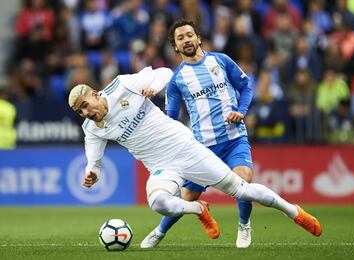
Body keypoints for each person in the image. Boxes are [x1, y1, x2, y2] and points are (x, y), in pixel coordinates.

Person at [68, 66, 322, 249]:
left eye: (85, 104)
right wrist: (93, 173)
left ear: (95, 93)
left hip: (186, 149)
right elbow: (95, 161)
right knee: (158, 203)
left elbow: (165, 72)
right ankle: (198, 208)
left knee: (241, 190)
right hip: (160, 167)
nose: (86, 112)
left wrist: (153, 87)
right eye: (80, 111)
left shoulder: (122, 85)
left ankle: (294, 212)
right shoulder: (91, 129)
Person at [142, 19, 255, 249]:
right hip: (202, 148)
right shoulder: (176, 81)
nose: (186, 40)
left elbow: (246, 87)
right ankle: (159, 231)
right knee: (186, 199)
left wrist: (240, 111)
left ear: (198, 37)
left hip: (234, 138)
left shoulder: (221, 60)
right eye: (180, 38)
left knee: (243, 180)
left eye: (189, 35)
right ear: (175, 46)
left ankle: (244, 226)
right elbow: (171, 119)